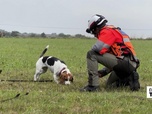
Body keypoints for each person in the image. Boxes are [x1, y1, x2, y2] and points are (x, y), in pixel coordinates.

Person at [80, 14, 140, 92]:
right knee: (109, 86)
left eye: (93, 32)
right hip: (129, 64)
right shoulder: (114, 30)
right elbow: (114, 59)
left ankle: (93, 86)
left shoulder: (107, 32)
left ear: (96, 28)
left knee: (91, 54)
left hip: (125, 63)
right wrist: (103, 72)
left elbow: (97, 49)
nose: (94, 35)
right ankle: (129, 79)